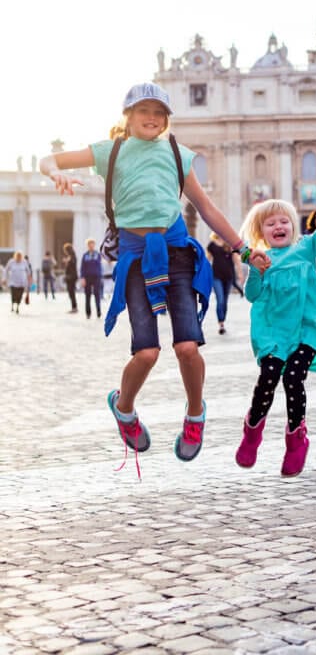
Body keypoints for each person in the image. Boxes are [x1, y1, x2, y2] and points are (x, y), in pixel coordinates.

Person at [39, 82, 265, 475]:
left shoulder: (178, 154)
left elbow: (206, 207)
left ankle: (195, 417)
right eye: (144, 111)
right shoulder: (110, 152)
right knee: (146, 352)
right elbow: (47, 159)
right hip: (135, 256)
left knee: (188, 347)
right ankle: (123, 408)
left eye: (160, 113)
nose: (152, 118)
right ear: (126, 117)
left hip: (177, 252)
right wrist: (56, 172)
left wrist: (242, 249)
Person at [235, 182, 316, 477]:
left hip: (307, 329)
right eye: (271, 223)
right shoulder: (260, 259)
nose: (278, 226)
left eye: (284, 221)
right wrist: (256, 271)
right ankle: (253, 431)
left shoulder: (306, 249)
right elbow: (253, 296)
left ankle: (296, 440)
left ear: (293, 227)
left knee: (294, 378)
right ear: (261, 232)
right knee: (268, 377)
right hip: (273, 333)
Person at [206, 233, 237, 335]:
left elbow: (236, 259)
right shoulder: (212, 245)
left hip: (228, 276)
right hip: (216, 276)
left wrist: (240, 274)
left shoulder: (229, 245)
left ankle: (223, 319)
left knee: (225, 301)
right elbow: (207, 260)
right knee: (220, 300)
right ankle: (221, 324)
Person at [80, 238, 103, 319]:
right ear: (87, 245)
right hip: (87, 277)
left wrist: (100, 276)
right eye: (89, 244)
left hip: (96, 277)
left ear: (94, 245)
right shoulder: (85, 255)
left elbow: (100, 266)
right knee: (87, 296)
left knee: (97, 295)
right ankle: (88, 313)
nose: (91, 245)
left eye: (92, 244)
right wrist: (82, 278)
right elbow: (82, 268)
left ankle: (98, 312)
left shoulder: (98, 255)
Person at [62, 243, 78, 313]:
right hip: (69, 276)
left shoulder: (72, 256)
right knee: (70, 292)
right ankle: (74, 307)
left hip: (72, 277)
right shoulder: (70, 256)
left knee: (71, 292)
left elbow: (72, 264)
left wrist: (67, 261)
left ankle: (74, 307)